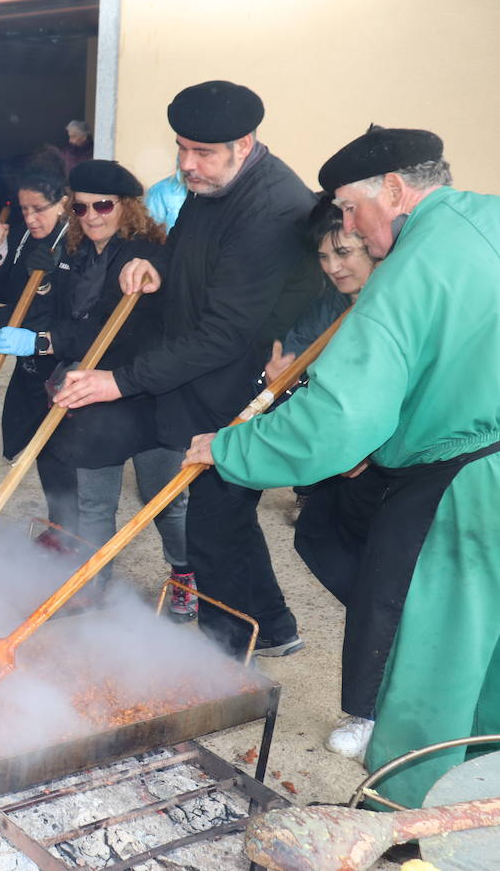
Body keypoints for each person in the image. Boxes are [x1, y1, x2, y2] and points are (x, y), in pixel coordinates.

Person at [187, 126, 500, 807]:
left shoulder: (413, 268)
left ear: (393, 189)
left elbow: (341, 421)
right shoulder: (491, 218)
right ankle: (486, 804)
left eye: (350, 207)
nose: (347, 223)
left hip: (466, 480)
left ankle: (405, 814)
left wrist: (232, 449)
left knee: (435, 662)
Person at [54, 80, 319, 658]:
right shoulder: (212, 185)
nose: (187, 165)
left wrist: (118, 380)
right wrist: (155, 264)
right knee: (225, 514)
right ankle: (272, 629)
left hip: (250, 379)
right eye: (182, 148)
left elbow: (225, 332)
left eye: (201, 153)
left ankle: (221, 654)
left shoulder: (271, 209)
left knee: (214, 520)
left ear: (244, 144)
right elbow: (183, 247)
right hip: (207, 373)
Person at [0, 160, 189, 614]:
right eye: (80, 208)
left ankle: (184, 572)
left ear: (128, 208)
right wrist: (37, 283)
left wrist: (43, 341)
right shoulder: (81, 256)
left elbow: (111, 331)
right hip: (97, 395)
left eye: (103, 205)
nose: (93, 216)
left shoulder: (146, 258)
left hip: (149, 391)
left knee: (164, 499)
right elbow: (65, 315)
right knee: (95, 502)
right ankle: (94, 588)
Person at [264, 195, 384, 758]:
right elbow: (299, 367)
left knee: (383, 589)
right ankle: (385, 640)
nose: (334, 265)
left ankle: (373, 710)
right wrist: (285, 374)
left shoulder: (390, 303)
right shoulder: (329, 306)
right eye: (325, 256)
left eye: (345, 251)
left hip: (392, 466)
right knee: (317, 540)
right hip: (338, 463)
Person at [0, 160, 69, 526]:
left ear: (63, 203)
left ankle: (75, 539)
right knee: (44, 451)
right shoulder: (23, 236)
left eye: (40, 209)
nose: (31, 218)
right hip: (31, 368)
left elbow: (45, 311)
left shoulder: (75, 242)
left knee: (67, 454)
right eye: (25, 209)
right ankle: (57, 526)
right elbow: (6, 289)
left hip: (67, 362)